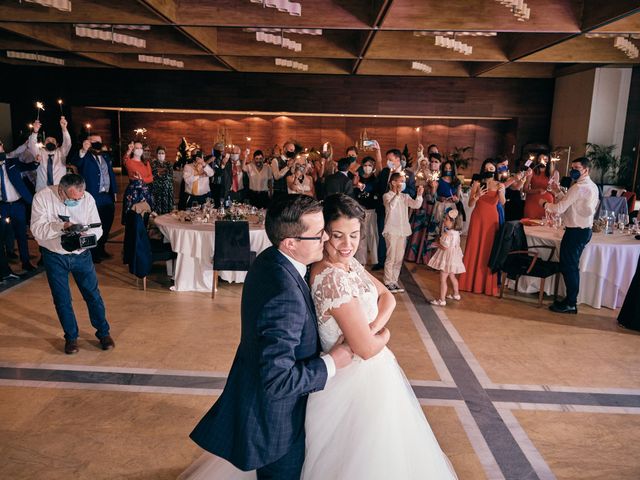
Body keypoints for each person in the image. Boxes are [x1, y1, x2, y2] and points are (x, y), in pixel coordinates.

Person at [186, 195, 353, 480]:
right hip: (277, 425)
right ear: (290, 243)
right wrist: (333, 362)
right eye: (318, 234)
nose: (326, 238)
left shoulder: (271, 259)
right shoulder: (283, 294)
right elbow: (277, 380)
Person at [30, 173, 114, 355]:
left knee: (93, 295)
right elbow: (36, 230)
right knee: (62, 299)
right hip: (54, 256)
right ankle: (71, 337)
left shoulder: (88, 198)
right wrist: (62, 227)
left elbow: (97, 228)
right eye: (73, 198)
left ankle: (103, 333)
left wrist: (87, 237)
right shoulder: (42, 198)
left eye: (80, 197)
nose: (78, 201)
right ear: (61, 191)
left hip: (82, 255)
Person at [541, 157, 599, 314]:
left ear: (586, 170)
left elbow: (559, 208)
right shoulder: (591, 186)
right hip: (583, 230)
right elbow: (570, 204)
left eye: (577, 168)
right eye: (572, 167)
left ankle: (571, 302)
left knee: (569, 267)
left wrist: (544, 204)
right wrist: (557, 191)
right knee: (571, 266)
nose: (573, 170)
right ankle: (570, 300)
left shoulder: (578, 187)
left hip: (576, 231)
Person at [459, 159, 505, 297]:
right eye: (486, 168)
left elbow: (502, 203)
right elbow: (470, 203)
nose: (489, 171)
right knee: (474, 246)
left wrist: (502, 191)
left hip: (492, 220)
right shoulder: (478, 183)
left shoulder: (499, 184)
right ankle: (467, 282)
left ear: (495, 170)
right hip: (478, 218)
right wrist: (477, 196)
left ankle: (484, 283)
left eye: (491, 169)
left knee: (488, 249)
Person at [70, 134, 118, 262]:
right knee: (93, 225)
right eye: (94, 141)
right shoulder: (84, 156)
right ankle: (93, 252)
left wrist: (114, 191)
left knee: (107, 224)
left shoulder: (105, 156)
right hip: (92, 196)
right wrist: (84, 149)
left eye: (99, 142)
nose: (97, 144)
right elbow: (75, 161)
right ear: (89, 142)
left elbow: (110, 174)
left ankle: (102, 248)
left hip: (107, 196)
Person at [372, 148, 416, 271]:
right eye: (387, 160)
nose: (388, 162)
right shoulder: (385, 172)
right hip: (383, 207)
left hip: (398, 212)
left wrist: (401, 188)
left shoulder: (408, 174)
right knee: (382, 234)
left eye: (391, 159)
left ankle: (395, 265)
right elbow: (380, 187)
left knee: (396, 239)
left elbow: (412, 192)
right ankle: (382, 261)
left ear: (398, 159)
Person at [382, 172, 424, 293]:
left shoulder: (405, 197)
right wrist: (398, 194)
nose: (403, 183)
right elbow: (390, 207)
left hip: (402, 231)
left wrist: (419, 195)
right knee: (391, 257)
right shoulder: (387, 196)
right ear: (393, 182)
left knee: (399, 258)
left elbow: (416, 205)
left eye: (403, 181)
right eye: (400, 181)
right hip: (391, 230)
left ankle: (394, 281)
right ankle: (387, 281)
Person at [0, 142, 38, 272]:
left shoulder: (12, 162)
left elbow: (27, 166)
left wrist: (37, 162)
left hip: (17, 204)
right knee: (2, 236)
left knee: (22, 234)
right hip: (2, 206)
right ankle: (5, 268)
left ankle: (26, 262)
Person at [405, 152, 440, 264]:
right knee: (417, 227)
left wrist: (433, 189)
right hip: (421, 204)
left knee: (428, 230)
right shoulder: (422, 174)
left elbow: (436, 195)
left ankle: (425, 256)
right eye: (432, 162)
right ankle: (412, 255)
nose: (433, 164)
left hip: (432, 206)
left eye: (436, 162)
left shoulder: (438, 176)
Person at [428, 209, 465, 306]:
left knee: (443, 279)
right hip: (454, 257)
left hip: (447, 258)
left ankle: (442, 300)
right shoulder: (457, 233)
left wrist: (436, 244)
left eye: (447, 219)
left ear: (452, 222)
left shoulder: (447, 234)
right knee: (452, 276)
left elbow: (445, 247)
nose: (444, 220)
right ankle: (456, 294)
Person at [27, 118, 71, 192]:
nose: (50, 142)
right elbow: (31, 144)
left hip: (60, 189)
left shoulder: (62, 152)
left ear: (57, 145)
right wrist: (35, 131)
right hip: (42, 189)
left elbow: (67, 142)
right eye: (48, 140)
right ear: (44, 144)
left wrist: (64, 128)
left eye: (53, 141)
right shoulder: (39, 152)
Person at [122, 141, 154, 223]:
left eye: (141, 148)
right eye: (137, 148)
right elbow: (125, 159)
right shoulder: (129, 161)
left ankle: (143, 235)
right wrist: (129, 150)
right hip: (133, 193)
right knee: (134, 218)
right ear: (133, 150)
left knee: (145, 216)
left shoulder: (146, 162)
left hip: (145, 192)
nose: (139, 150)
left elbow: (151, 178)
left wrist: (142, 179)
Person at [523, 153, 553, 220]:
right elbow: (525, 189)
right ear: (537, 160)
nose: (542, 161)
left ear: (549, 160)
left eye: (545, 159)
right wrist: (537, 190)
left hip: (547, 202)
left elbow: (555, 190)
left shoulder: (552, 173)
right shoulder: (531, 171)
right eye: (540, 159)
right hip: (533, 201)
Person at [151, 146, 174, 214]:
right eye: (159, 153)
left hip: (167, 189)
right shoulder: (153, 164)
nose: (161, 154)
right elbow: (154, 175)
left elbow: (170, 176)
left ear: (165, 154)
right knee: (157, 208)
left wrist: (159, 173)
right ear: (156, 154)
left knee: (167, 209)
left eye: (162, 153)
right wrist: (163, 173)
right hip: (157, 189)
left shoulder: (169, 164)